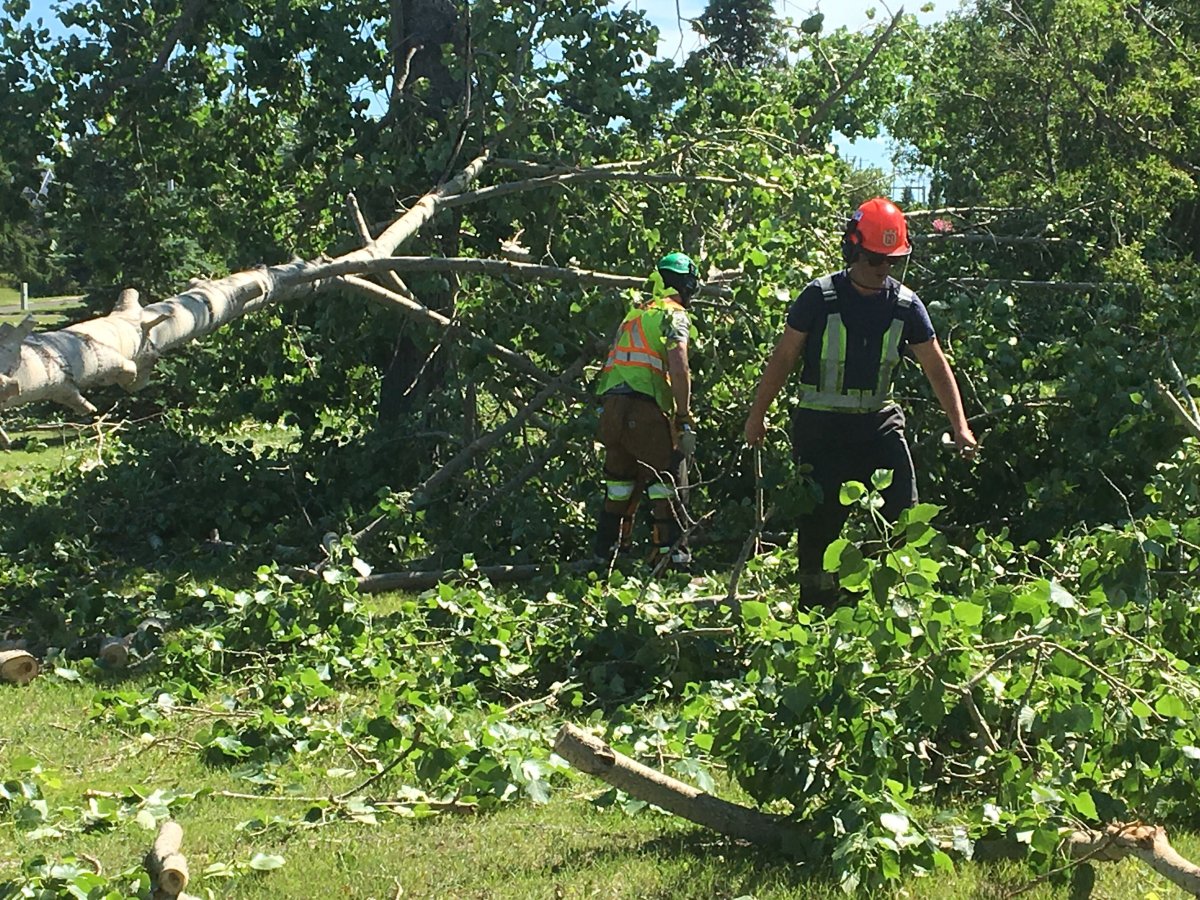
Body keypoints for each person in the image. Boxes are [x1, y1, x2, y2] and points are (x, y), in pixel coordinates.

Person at [743, 197, 977, 606]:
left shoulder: (906, 305)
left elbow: (936, 367)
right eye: (873, 259)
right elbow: (783, 357)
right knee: (820, 522)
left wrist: (960, 426)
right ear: (853, 249)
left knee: (905, 512)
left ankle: (894, 596)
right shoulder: (819, 296)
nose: (882, 269)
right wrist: (756, 415)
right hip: (821, 427)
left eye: (891, 261)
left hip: (877, 422)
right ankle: (816, 607)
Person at [593, 252, 700, 565]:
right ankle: (674, 557)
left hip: (612, 411)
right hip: (645, 407)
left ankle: (607, 556)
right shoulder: (673, 314)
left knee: (619, 482)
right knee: (669, 476)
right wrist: (682, 415)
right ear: (686, 283)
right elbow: (679, 365)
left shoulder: (635, 314)